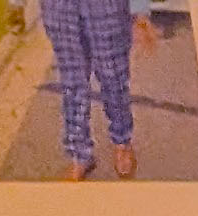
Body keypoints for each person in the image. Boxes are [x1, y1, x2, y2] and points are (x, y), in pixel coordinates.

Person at [39, 1, 152, 182]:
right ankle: (79, 155)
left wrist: (140, 11)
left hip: (107, 8)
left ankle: (122, 141)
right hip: (59, 8)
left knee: (114, 77)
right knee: (72, 82)